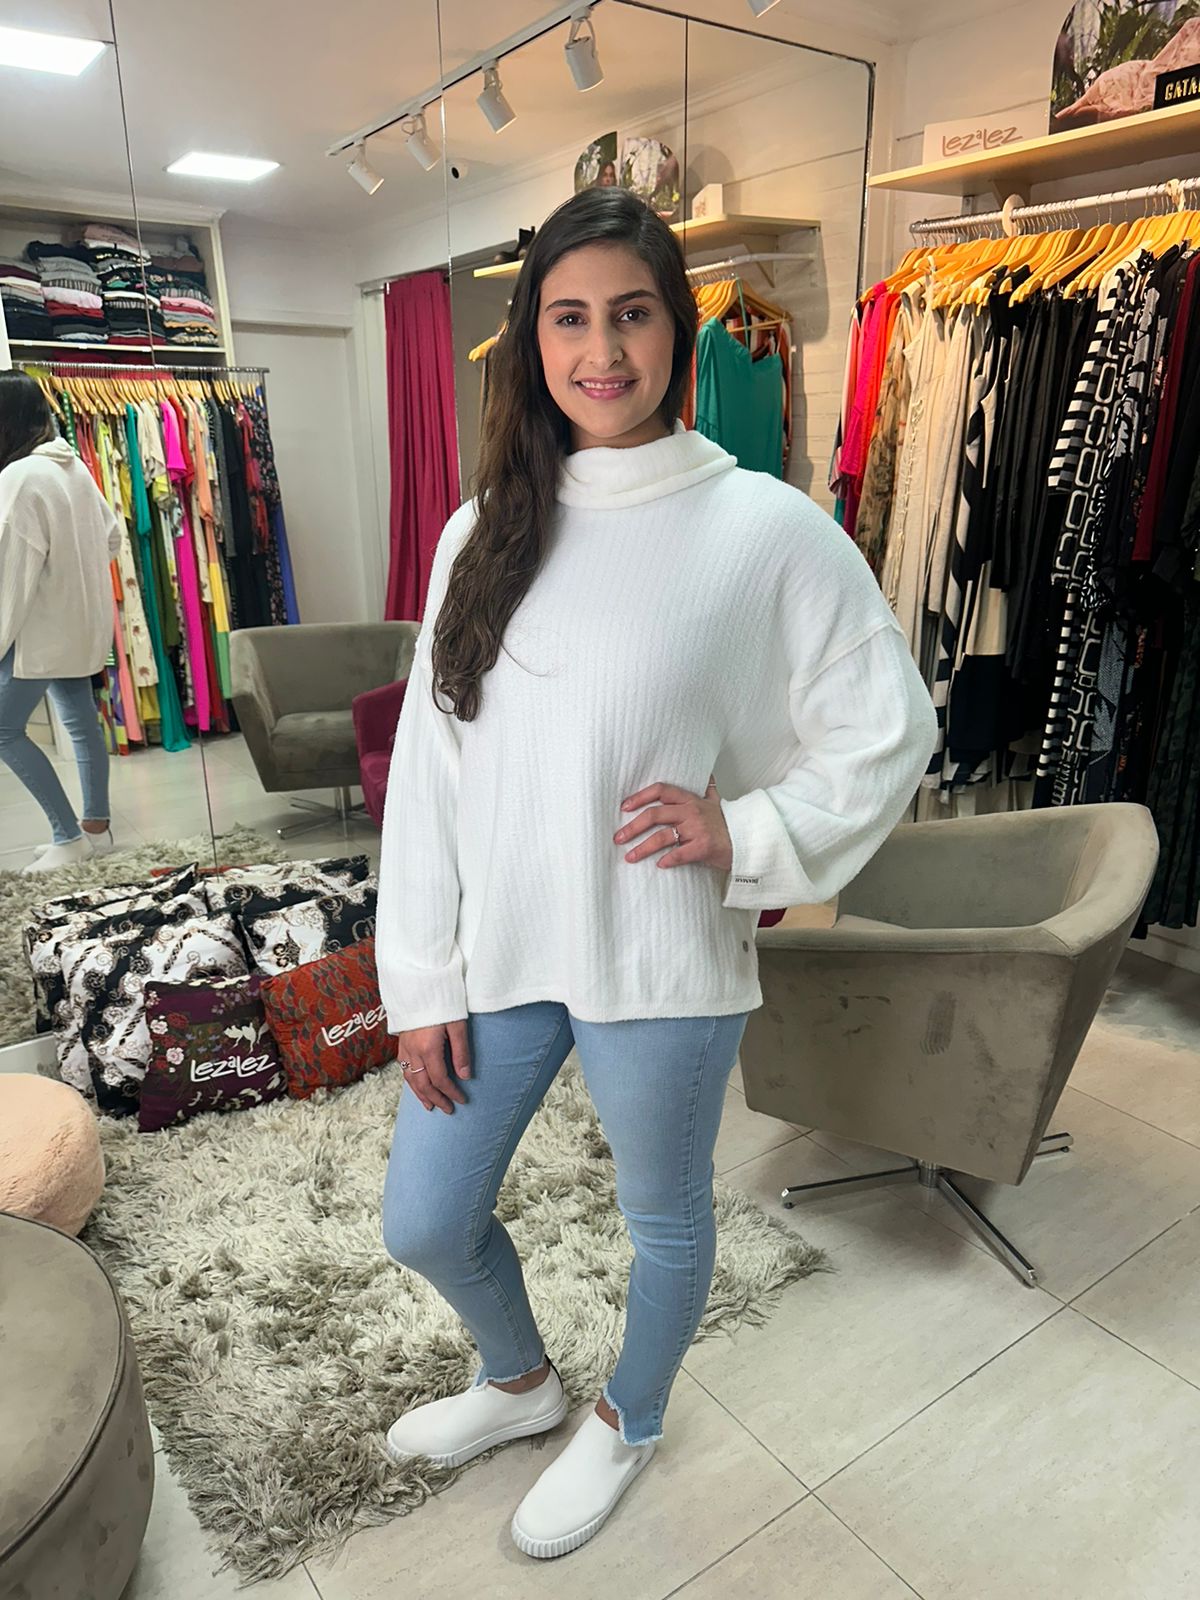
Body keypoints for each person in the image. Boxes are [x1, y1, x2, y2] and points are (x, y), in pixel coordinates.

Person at [374, 187, 938, 1560]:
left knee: (665, 1222)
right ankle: (520, 1381)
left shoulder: (762, 527)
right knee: (426, 1218)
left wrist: (748, 830)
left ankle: (628, 1419)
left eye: (631, 314)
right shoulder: (477, 532)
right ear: (533, 339)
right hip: (505, 947)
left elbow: (890, 725)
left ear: (679, 331)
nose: (602, 349)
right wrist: (419, 976)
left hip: (660, 949)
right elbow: (434, 773)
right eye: (569, 318)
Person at [0, 371, 119, 874]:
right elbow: (111, 537)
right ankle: (94, 827)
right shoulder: (73, 467)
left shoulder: (21, 475)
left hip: (39, 629)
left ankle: (67, 836)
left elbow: (10, 569)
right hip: (78, 623)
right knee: (80, 720)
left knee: (3, 729)